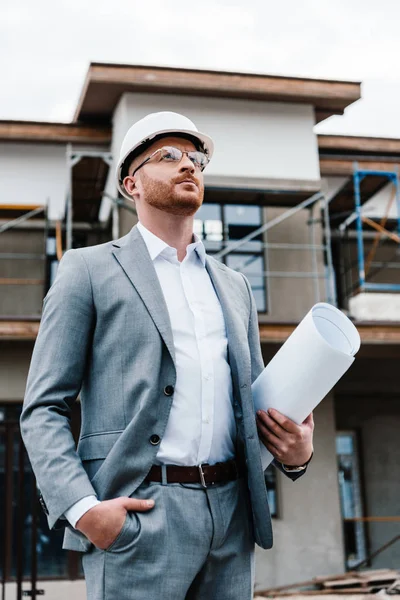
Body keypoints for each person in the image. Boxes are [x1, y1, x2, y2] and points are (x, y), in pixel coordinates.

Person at [20, 111, 314, 600]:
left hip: (231, 518)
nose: (189, 167)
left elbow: (255, 411)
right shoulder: (87, 271)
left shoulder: (234, 286)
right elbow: (43, 407)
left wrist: (297, 454)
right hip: (138, 516)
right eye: (169, 156)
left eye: (196, 159)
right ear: (131, 183)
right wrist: (84, 509)